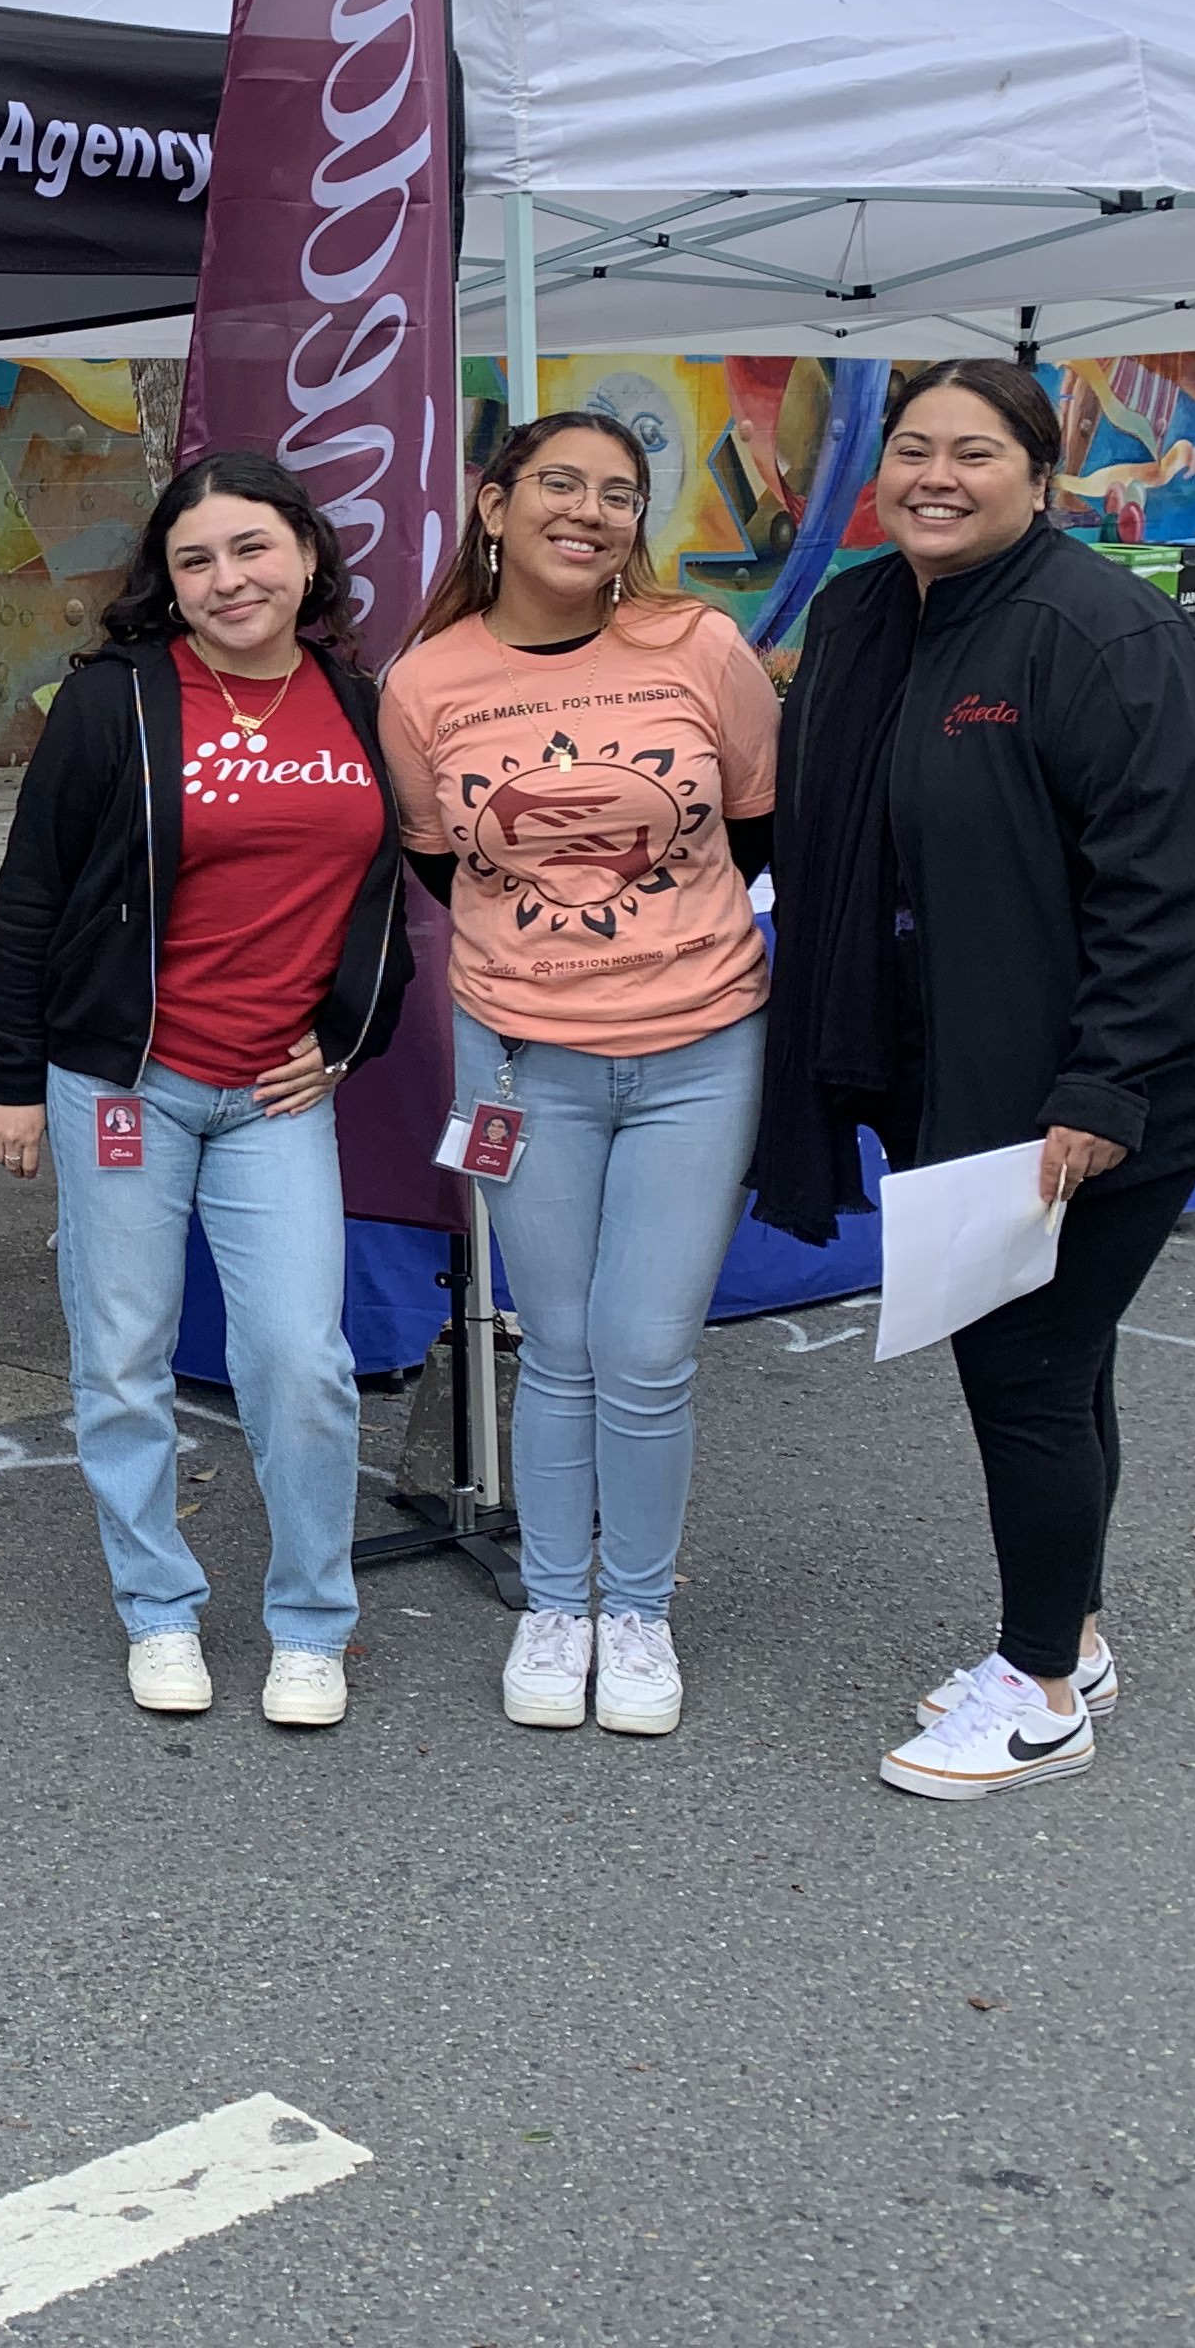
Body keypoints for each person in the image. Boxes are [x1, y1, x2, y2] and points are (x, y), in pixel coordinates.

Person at [757, 365, 1195, 1801]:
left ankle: (1039, 1692)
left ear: (1041, 477)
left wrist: (1100, 1091)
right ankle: (1078, 1635)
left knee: (1027, 1366)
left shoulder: (1108, 636)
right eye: (911, 447)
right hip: (954, 1073)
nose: (935, 474)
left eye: (974, 453)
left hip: (1101, 1091)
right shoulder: (866, 613)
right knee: (1063, 1356)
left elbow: (1178, 894)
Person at [0, 451, 414, 1722]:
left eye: (252, 549)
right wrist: (12, 1078)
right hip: (124, 1082)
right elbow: (31, 896)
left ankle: (310, 1623)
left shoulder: (363, 702)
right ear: (167, 583)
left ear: (309, 557)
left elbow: (402, 904)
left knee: (301, 1359)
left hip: (277, 1095)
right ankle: (158, 1610)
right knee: (123, 1354)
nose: (229, 579)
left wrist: (347, 1037)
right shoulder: (117, 701)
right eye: (196, 560)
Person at [380, 411, 779, 1739]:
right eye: (562, 483)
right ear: (493, 507)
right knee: (555, 1349)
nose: (592, 510)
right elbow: (445, 867)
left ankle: (638, 1614)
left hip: (698, 1049)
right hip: (519, 1062)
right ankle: (558, 1606)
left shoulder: (701, 647)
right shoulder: (428, 680)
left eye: (620, 491)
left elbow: (761, 823)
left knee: (646, 1349)